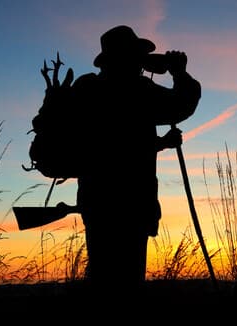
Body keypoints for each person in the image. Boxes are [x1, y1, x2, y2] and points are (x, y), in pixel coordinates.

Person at [69, 25, 201, 290]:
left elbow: (117, 145)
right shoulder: (138, 91)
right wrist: (180, 73)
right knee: (127, 286)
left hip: (97, 204)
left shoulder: (87, 89)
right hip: (132, 206)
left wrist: (160, 143)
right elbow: (182, 105)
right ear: (126, 57)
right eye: (136, 55)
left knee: (102, 281)